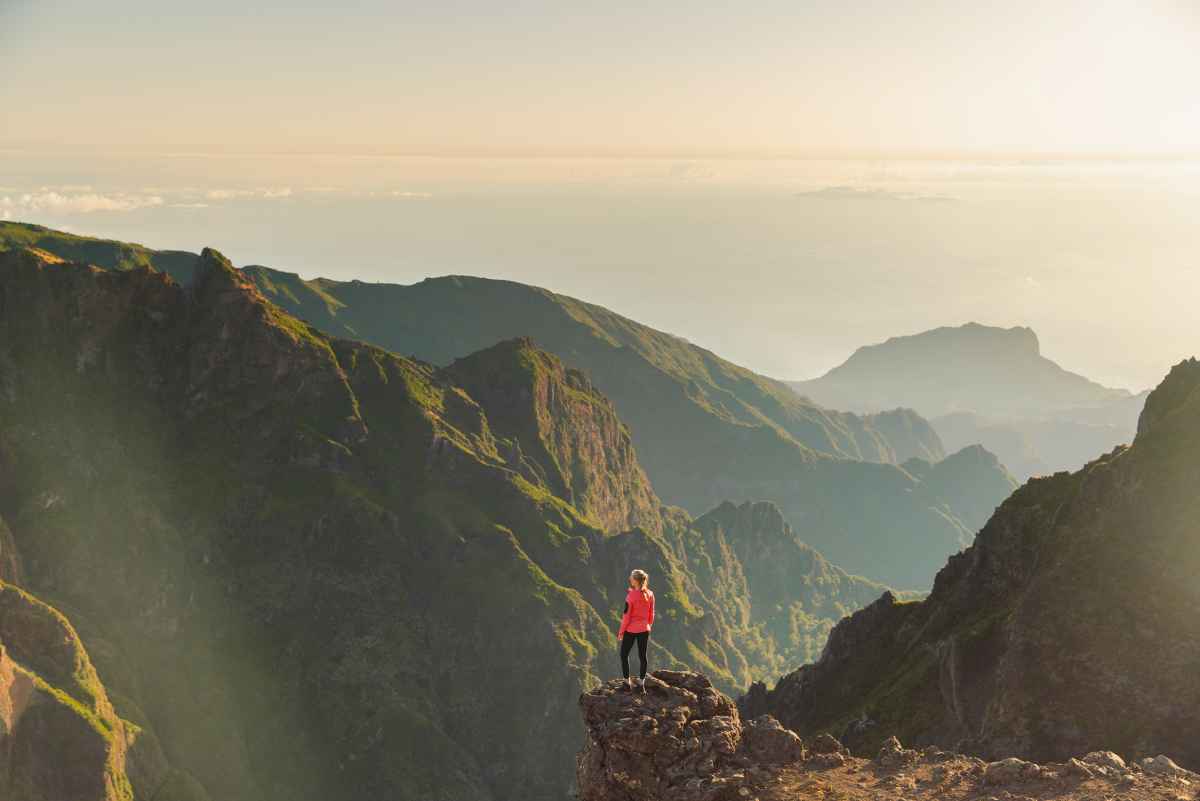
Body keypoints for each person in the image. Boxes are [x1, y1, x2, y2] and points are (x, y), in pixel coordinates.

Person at [617, 568, 655, 691]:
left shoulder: (631, 596)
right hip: (645, 629)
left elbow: (626, 616)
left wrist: (621, 632)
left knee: (624, 654)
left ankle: (626, 682)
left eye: (632, 577)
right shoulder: (650, 594)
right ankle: (641, 683)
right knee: (642, 656)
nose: (630, 579)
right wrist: (647, 625)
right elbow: (651, 613)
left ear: (636, 581)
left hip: (631, 630)